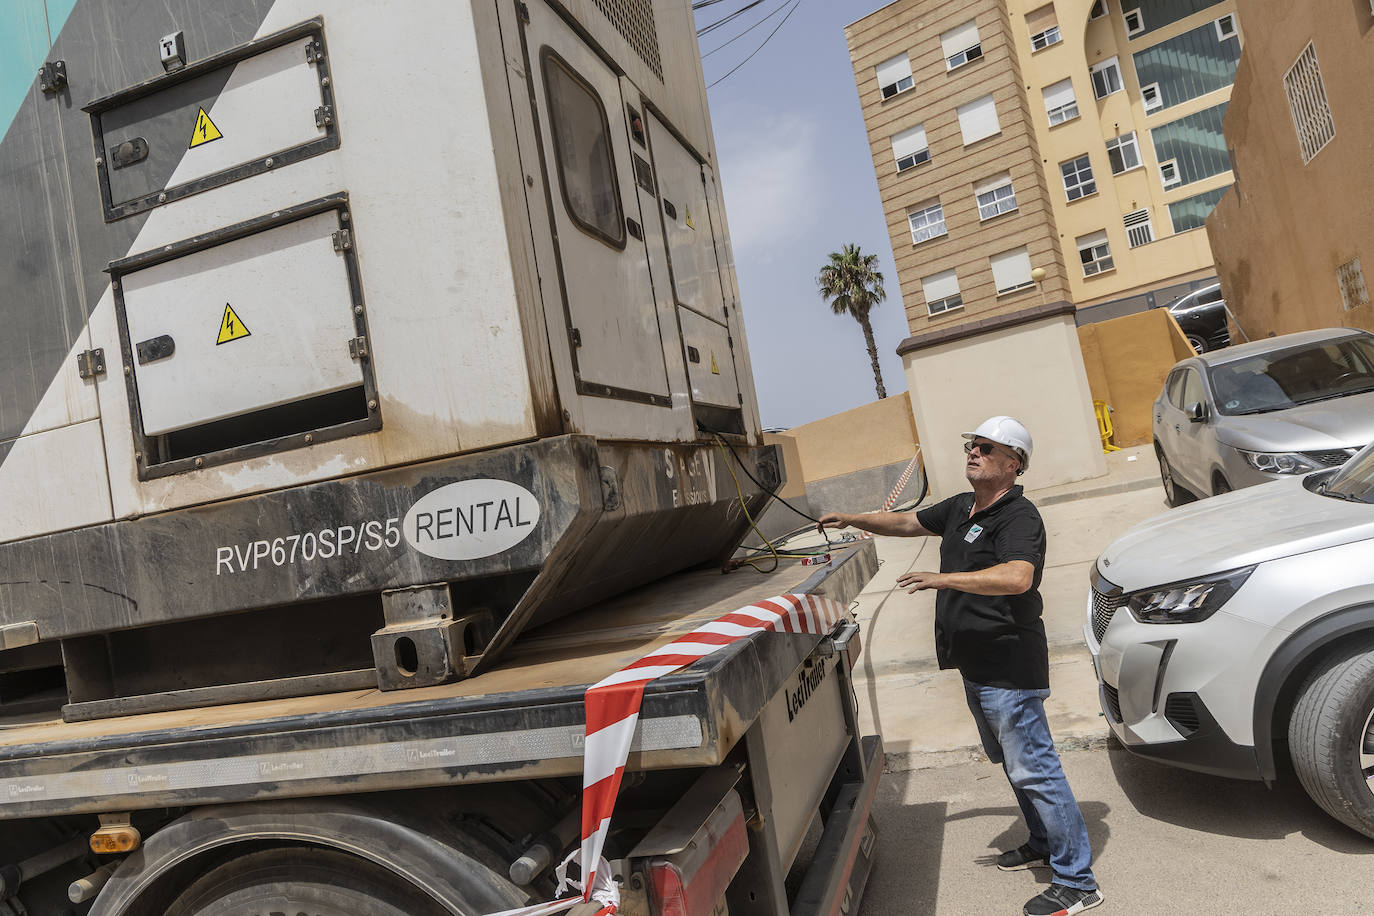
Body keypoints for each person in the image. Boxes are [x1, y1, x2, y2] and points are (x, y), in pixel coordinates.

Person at [818, 416, 1102, 916]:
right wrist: (855, 519)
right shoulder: (961, 507)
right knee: (1015, 767)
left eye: (986, 447)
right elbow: (909, 522)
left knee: (1036, 769)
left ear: (1012, 464)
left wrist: (945, 579)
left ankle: (1078, 882)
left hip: (1008, 665)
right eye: (972, 444)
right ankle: (1041, 841)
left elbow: (1017, 577)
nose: (973, 451)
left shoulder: (1019, 516)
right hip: (976, 667)